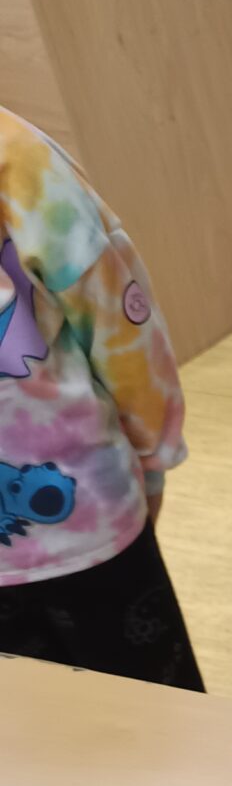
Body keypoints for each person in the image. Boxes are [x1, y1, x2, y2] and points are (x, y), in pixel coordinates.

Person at [0, 106, 200, 690]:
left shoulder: (17, 159)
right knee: (149, 714)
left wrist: (154, 455)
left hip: (81, 523)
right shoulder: (18, 155)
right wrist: (154, 453)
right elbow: (119, 324)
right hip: (88, 521)